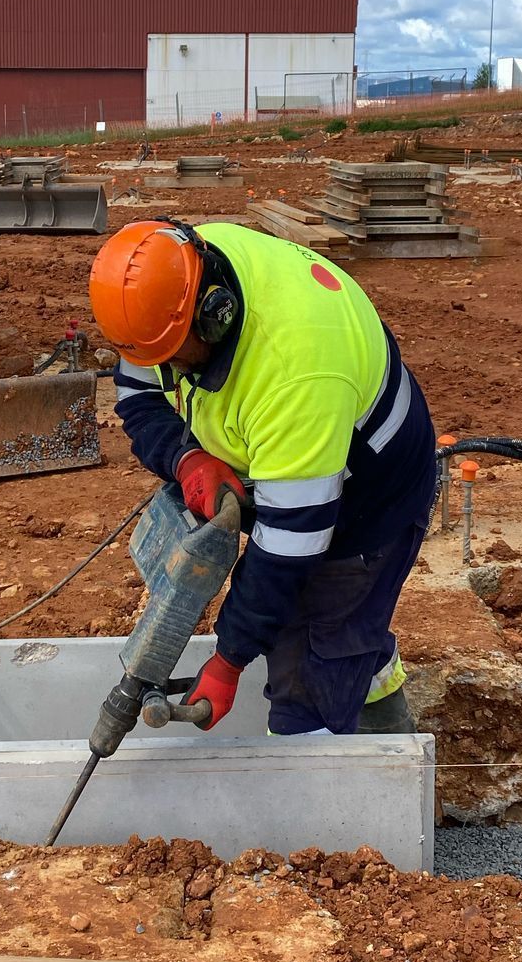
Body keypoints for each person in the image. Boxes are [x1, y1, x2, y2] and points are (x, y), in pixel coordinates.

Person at [88, 219, 437, 736]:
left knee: (312, 659)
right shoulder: (164, 293)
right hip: (294, 466)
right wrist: (187, 460)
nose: (174, 374)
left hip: (370, 497)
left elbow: (288, 545)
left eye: (181, 360)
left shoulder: (297, 372)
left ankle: (327, 800)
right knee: (337, 636)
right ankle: (373, 701)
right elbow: (138, 398)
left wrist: (228, 663)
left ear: (214, 314)